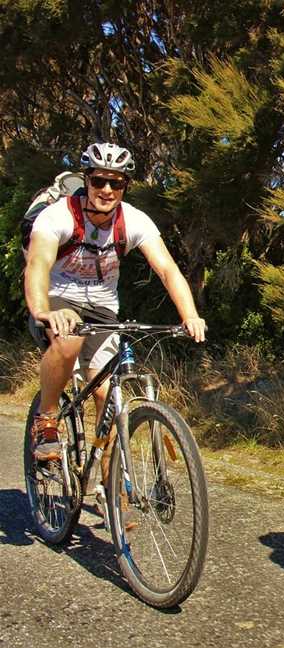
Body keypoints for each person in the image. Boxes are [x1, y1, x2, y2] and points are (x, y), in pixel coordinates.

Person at [24, 142, 206, 482]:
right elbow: (37, 265)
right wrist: (44, 312)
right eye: (99, 181)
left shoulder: (134, 220)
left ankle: (111, 487)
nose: (107, 190)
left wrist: (190, 315)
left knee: (109, 397)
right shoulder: (58, 216)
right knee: (68, 338)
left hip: (103, 306)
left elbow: (167, 269)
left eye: (116, 183)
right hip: (57, 296)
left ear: (125, 186)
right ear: (87, 180)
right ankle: (47, 418)